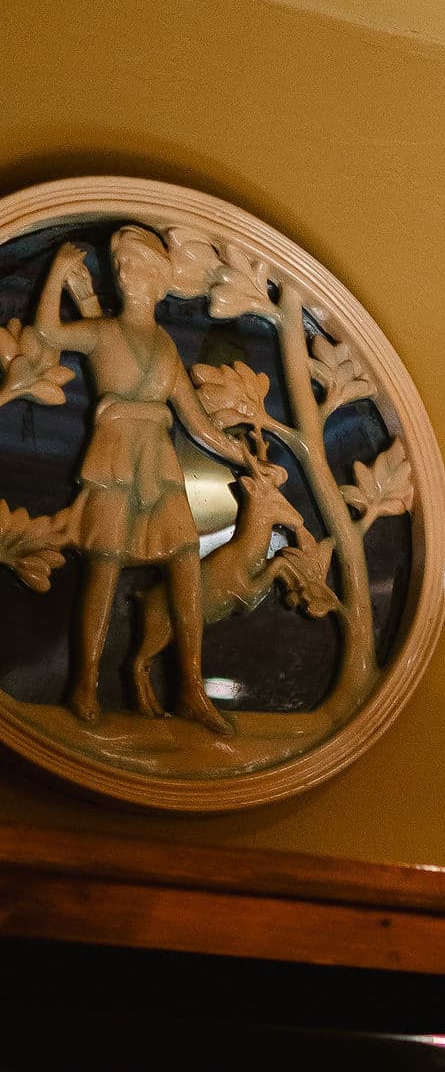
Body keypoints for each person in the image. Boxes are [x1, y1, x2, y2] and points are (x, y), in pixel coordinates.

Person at [11, 226, 251, 734]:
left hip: (158, 464)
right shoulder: (103, 332)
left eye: (138, 267)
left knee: (185, 560)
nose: (126, 274)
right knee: (105, 563)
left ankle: (191, 687)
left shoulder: (165, 347)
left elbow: (196, 421)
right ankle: (85, 683)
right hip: (115, 459)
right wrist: (56, 274)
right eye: (121, 266)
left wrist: (244, 455)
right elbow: (49, 333)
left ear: (160, 281)